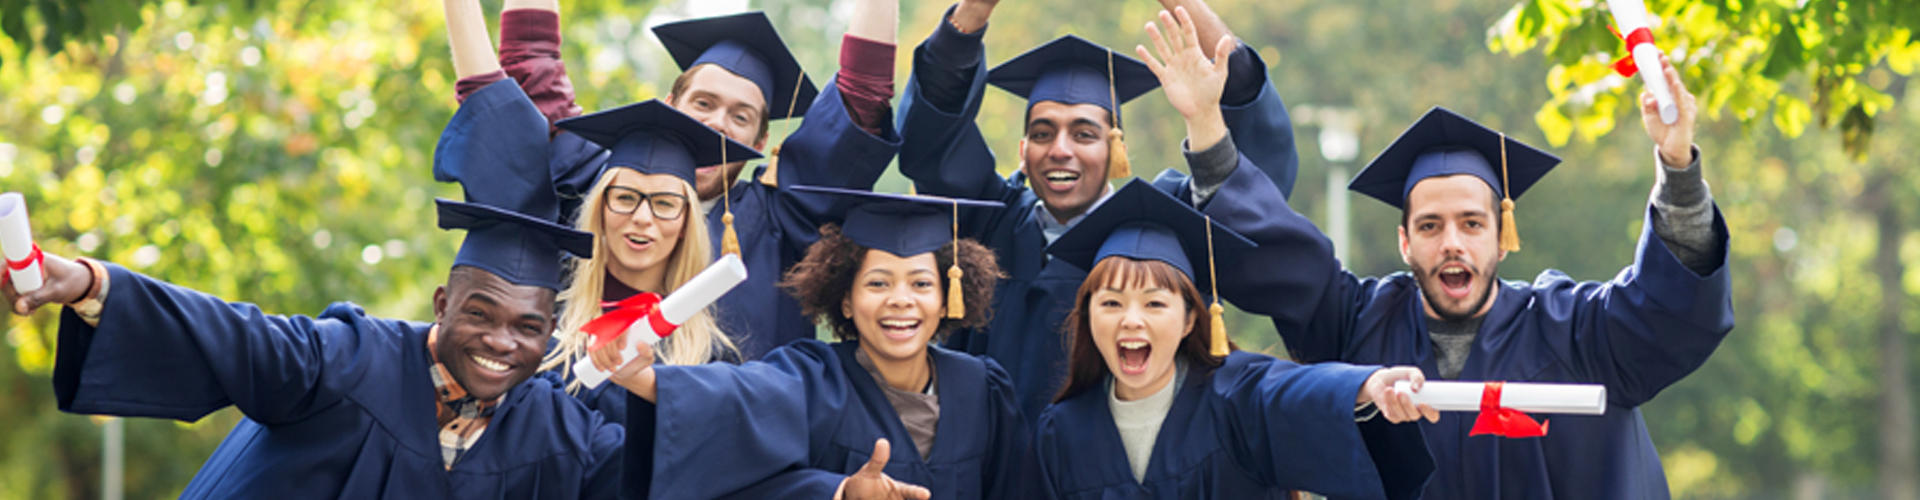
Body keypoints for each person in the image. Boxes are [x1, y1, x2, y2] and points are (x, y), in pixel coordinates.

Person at [14, 80, 623, 498]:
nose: (502, 340)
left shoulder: (553, 429)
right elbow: (239, 336)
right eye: (481, 313)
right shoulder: (348, 361)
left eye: (528, 327)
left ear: (550, 333)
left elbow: (657, 468)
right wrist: (90, 284)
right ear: (442, 304)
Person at [1266, 56, 1733, 499]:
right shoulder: (1356, 327)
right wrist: (1209, 130)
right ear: (1405, 243)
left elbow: (1666, 308)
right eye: (1430, 225)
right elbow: (1272, 254)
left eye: (1472, 223)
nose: (1452, 242)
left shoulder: (1574, 333)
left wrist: (1677, 170)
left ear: (1502, 237)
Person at [895, 0, 1299, 423]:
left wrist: (1188, 13)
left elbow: (1250, 186)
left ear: (1117, 149)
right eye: (1042, 133)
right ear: (1022, 151)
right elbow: (933, 141)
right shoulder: (985, 223)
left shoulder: (1164, 229)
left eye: (1085, 134)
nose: (1060, 150)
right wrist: (973, 11)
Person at [449, 1, 905, 360]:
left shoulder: (778, 222)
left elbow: (861, 100)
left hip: (732, 461)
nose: (717, 124)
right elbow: (531, 69)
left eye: (740, 116)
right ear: (670, 103)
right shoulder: (597, 186)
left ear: (763, 139)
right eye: (703, 103)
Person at [596, 188, 1036, 499]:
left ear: (946, 300)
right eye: (878, 283)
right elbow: (737, 396)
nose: (900, 299)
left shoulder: (984, 389)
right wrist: (647, 380)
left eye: (921, 283)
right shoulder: (812, 377)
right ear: (845, 300)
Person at [442, 0, 758, 427]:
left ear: (687, 224)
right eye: (625, 198)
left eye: (665, 204)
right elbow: (503, 111)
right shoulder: (536, 323)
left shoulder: (711, 361)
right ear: (599, 209)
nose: (643, 218)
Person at [1035, 181, 1436, 499]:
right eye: (1111, 303)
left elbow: (1293, 393)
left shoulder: (1236, 398)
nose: (1132, 321)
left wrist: (1363, 387)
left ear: (1191, 318)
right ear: (1088, 316)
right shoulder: (1062, 433)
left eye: (1155, 303)